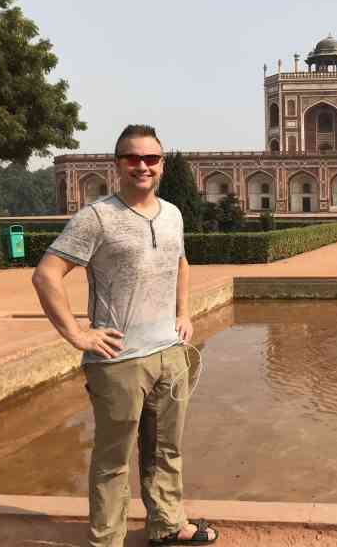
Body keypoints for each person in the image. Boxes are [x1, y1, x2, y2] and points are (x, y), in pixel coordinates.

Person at [31, 125, 218, 547]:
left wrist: (183, 314)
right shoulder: (97, 217)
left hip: (169, 353)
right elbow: (46, 275)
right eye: (132, 158)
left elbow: (181, 263)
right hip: (118, 362)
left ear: (162, 165)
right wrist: (78, 335)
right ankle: (107, 540)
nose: (142, 166)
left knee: (166, 451)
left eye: (151, 159)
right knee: (113, 461)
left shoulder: (172, 213)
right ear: (117, 165)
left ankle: (167, 525)